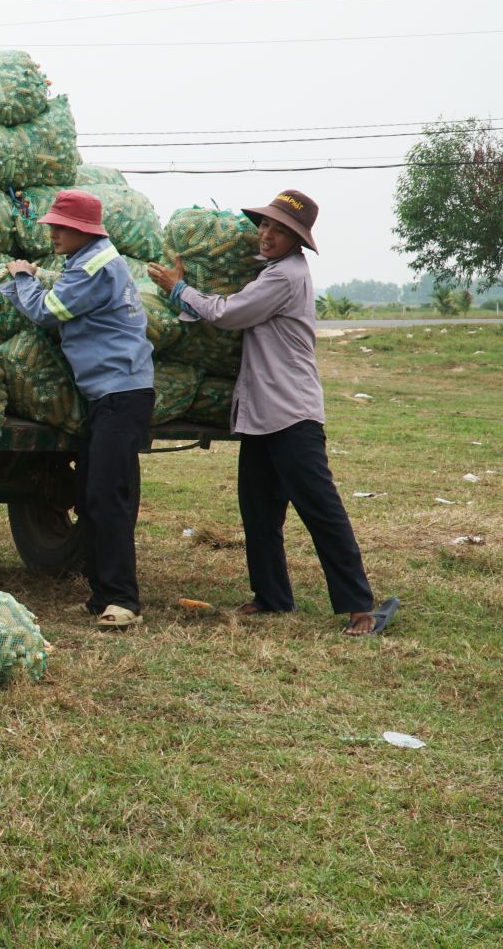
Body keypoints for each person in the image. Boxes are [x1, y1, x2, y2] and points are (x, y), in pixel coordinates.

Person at [148, 190, 400, 637]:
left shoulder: (284, 276)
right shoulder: (271, 270)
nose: (267, 235)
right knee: (259, 510)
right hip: (261, 414)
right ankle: (272, 598)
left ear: (297, 241)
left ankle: (360, 606)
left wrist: (179, 289)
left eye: (280, 231)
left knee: (321, 510)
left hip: (292, 415)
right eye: (265, 226)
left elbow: (228, 314)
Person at [0, 190, 155, 628]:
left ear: (82, 230)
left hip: (121, 395)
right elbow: (65, 286)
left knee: (109, 497)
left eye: (59, 227)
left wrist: (21, 278)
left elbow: (49, 311)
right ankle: (101, 594)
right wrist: (38, 273)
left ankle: (124, 601)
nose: (52, 233)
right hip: (107, 395)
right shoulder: (92, 260)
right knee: (90, 493)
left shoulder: (94, 266)